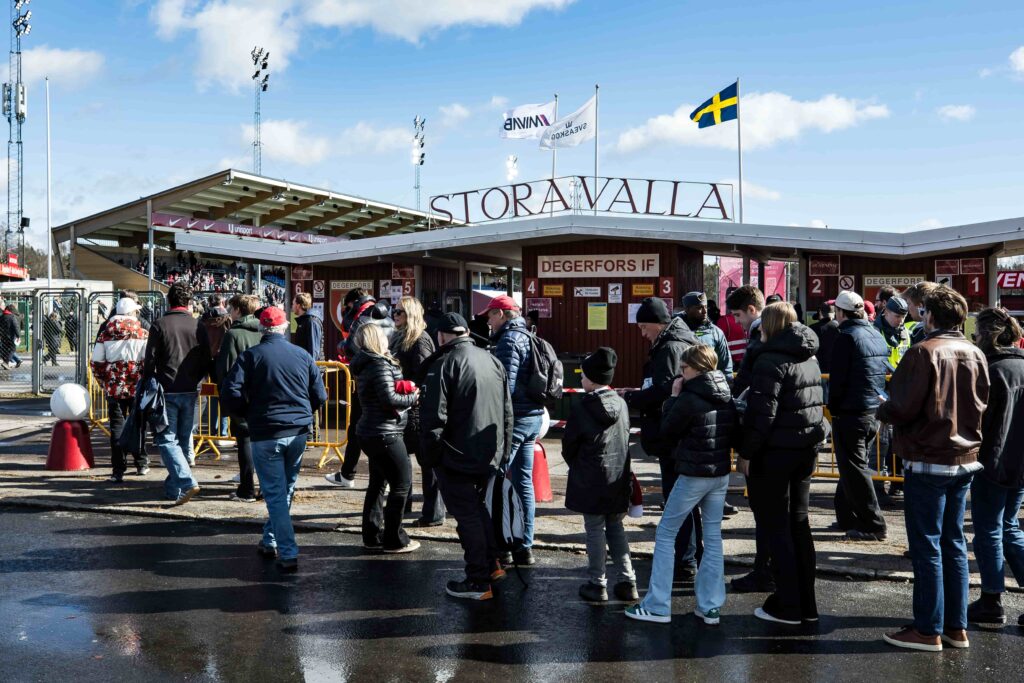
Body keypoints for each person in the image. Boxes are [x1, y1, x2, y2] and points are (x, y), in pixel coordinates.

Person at [878, 286, 989, 652]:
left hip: (929, 457)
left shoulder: (922, 352)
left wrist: (883, 407)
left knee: (927, 545)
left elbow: (903, 408)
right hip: (965, 457)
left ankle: (928, 629)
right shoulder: (975, 351)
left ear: (928, 315)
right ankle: (955, 628)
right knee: (953, 543)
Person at [626, 345, 736, 625]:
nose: (680, 374)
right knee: (712, 537)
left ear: (697, 368)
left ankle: (657, 605)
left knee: (666, 533)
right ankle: (710, 606)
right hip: (719, 473)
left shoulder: (688, 396)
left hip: (692, 473)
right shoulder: (725, 391)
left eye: (684, 369)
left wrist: (673, 397)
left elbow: (668, 428)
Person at [221, 306, 327, 573]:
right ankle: (270, 539)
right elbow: (320, 396)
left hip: (266, 433)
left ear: (261, 328)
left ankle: (287, 551)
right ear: (283, 328)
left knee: (277, 494)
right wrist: (302, 415)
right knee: (285, 490)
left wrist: (246, 414)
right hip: (298, 432)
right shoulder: (301, 355)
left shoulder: (251, 356)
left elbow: (230, 392)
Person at [739, 301, 826, 625]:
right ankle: (807, 604)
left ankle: (787, 604)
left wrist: (746, 454)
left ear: (770, 326)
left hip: (774, 453)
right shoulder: (810, 358)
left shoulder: (769, 361)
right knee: (799, 526)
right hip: (804, 451)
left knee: (777, 528)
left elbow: (762, 415)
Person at [421, 313, 513, 600]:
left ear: (442, 336)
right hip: (489, 452)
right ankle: (492, 565)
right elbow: (507, 412)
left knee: (468, 516)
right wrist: (504, 451)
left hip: (456, 455)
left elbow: (433, 418)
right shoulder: (492, 359)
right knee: (480, 510)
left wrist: (431, 457)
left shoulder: (445, 363)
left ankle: (478, 580)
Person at [623, 297, 702, 579]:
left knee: (677, 499)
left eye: (645, 327)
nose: (643, 334)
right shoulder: (674, 342)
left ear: (658, 324)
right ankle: (690, 556)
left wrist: (633, 398)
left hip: (673, 436)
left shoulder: (669, 347)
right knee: (684, 499)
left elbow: (666, 391)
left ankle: (685, 560)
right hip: (678, 434)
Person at [563, 347, 636, 603]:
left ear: (592, 379)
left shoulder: (583, 407)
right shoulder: (621, 403)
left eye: (582, 376)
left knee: (594, 529)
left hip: (591, 477)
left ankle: (598, 583)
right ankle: (628, 581)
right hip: (617, 477)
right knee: (616, 527)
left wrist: (579, 467)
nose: (580, 380)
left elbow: (569, 445)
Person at [967, 308, 1024, 627]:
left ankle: (991, 601)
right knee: (1009, 527)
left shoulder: (989, 370)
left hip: (992, 461)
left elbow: (978, 420)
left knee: (989, 529)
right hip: (1019, 466)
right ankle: (990, 599)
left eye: (975, 334)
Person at [483, 294, 544, 566]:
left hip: (515, 419)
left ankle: (502, 544)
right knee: (523, 483)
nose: (488, 320)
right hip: (532, 417)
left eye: (491, 315)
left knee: (497, 481)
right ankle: (525, 545)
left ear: (502, 315)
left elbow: (503, 386)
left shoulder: (509, 340)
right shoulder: (529, 335)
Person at [349, 322, 421, 553]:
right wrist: (413, 398)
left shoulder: (366, 364)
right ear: (377, 339)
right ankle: (394, 538)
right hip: (385, 432)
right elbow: (388, 399)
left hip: (373, 431)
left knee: (378, 484)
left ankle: (371, 534)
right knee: (401, 484)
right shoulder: (378, 364)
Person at [724, 285, 774, 593]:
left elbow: (758, 403)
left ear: (753, 311)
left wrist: (746, 450)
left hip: (765, 446)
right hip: (788, 445)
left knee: (765, 512)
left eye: (739, 315)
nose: (737, 322)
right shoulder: (797, 348)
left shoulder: (761, 346)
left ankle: (764, 571)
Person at [827, 291, 889, 540]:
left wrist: (834, 409)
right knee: (853, 467)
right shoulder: (875, 333)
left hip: (851, 411)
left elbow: (838, 379)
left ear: (841, 313)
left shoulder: (846, 337)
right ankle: (846, 516)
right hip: (872, 409)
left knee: (854, 468)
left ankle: (873, 523)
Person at [142, 281, 210, 505]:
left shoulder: (159, 324)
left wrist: (148, 382)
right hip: (190, 389)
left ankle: (185, 481)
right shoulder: (198, 326)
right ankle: (174, 489)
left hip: (166, 389)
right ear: (188, 302)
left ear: (169, 300)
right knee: (180, 440)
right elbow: (206, 358)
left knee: (165, 439)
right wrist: (197, 379)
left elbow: (149, 360)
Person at [390, 296, 443, 527]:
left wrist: (410, 394)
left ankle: (433, 513)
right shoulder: (398, 337)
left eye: (399, 312)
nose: (395, 315)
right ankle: (403, 504)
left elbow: (424, 377)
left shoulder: (420, 340)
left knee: (427, 463)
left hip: (418, 410)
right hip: (403, 407)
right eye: (394, 311)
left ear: (410, 314)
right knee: (402, 461)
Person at [91, 297, 150, 482]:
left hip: (114, 387)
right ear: (133, 312)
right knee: (138, 425)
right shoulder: (142, 333)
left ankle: (118, 469)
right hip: (137, 386)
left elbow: (97, 362)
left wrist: (104, 381)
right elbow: (148, 362)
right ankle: (141, 463)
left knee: (116, 427)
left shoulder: (106, 333)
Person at [215, 294, 263, 502]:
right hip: (262, 395)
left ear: (237, 310)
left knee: (244, 441)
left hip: (242, 396)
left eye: (231, 308)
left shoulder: (233, 334)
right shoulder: (263, 331)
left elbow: (224, 369)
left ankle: (247, 489)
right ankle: (262, 486)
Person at [677, 291, 733, 379]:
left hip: (708, 385)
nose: (704, 311)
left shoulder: (716, 332)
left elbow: (725, 364)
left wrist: (727, 383)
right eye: (699, 308)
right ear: (687, 309)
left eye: (706, 307)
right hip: (681, 385)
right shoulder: (676, 331)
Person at [902, 281, 938, 346]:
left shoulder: (920, 333)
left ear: (920, 306)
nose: (907, 308)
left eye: (909, 303)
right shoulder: (948, 329)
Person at [291, 292, 323, 360]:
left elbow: (313, 351)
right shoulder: (304, 321)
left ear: (298, 306)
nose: (292, 306)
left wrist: (310, 369)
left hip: (311, 368)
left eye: (293, 304)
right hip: (304, 366)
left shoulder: (311, 321)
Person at [809, 302, 839, 375]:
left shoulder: (812, 328)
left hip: (817, 367)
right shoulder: (838, 328)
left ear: (820, 313)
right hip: (834, 367)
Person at [0, 304, 23, 369]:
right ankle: (6, 362)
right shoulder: (12, 317)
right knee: (12, 349)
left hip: (3, 336)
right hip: (11, 336)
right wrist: (18, 336)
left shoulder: (2, 317)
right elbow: (16, 327)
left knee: (5, 349)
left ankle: (5, 364)